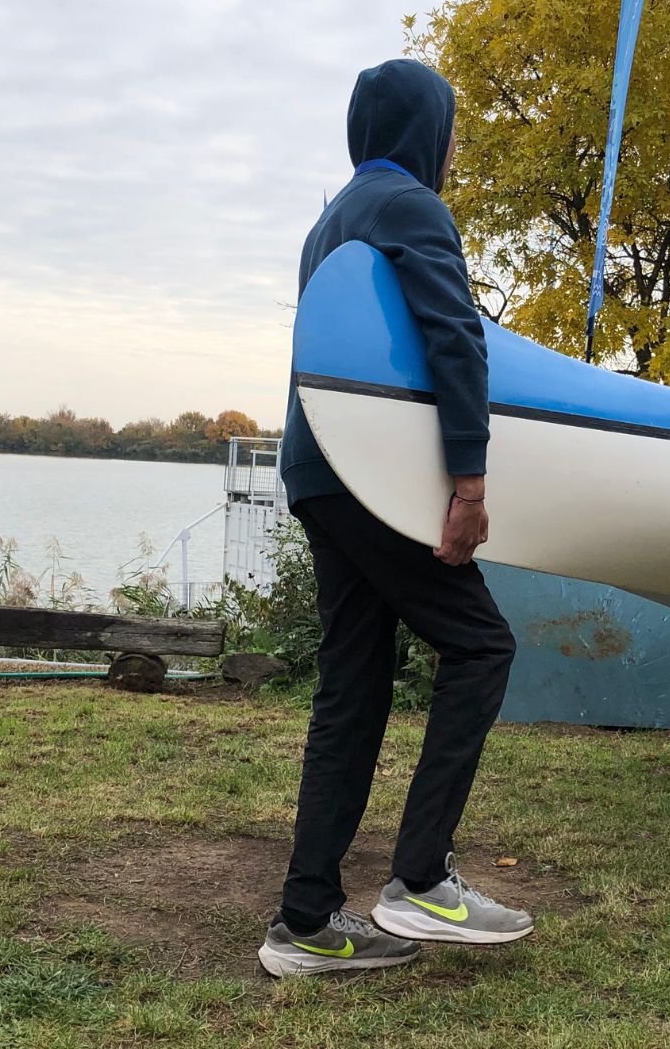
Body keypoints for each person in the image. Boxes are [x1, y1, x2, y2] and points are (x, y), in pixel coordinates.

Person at [259, 59, 530, 978]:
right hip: (373, 478)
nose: (456, 143)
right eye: (451, 126)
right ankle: (418, 879)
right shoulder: (415, 208)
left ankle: (304, 922)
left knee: (355, 684)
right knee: (483, 645)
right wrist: (470, 481)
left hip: (316, 468)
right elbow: (455, 336)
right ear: (425, 130)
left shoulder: (328, 221)